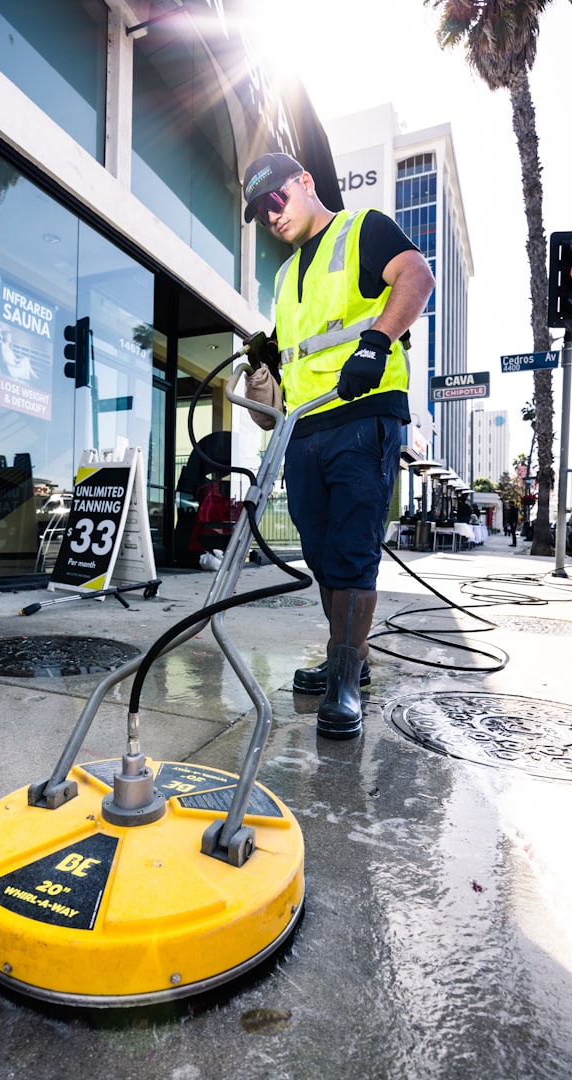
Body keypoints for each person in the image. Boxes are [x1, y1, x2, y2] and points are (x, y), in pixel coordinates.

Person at [241, 152, 435, 739]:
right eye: (260, 212)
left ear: (305, 183)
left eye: (276, 200)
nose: (271, 217)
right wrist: (264, 367)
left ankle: (347, 679)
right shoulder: (282, 277)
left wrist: (377, 342)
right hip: (306, 427)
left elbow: (417, 276)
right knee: (322, 551)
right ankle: (344, 654)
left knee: (352, 548)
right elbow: (296, 354)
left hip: (363, 414)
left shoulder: (362, 228)